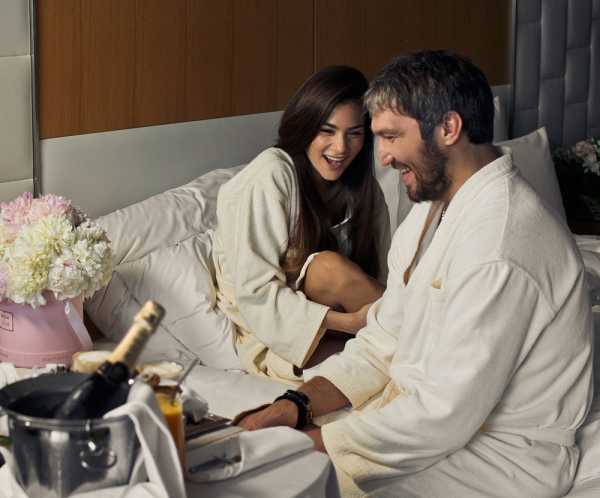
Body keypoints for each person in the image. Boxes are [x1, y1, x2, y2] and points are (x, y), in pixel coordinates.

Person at [235, 51, 594, 497]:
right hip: (428, 427)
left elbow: (444, 413)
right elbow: (383, 341)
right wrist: (296, 405)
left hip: (498, 459)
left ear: (448, 128)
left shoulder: (500, 244)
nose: (382, 156)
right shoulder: (431, 211)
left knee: (279, 482)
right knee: (248, 473)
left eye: (390, 136)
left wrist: (308, 444)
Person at [211, 66, 390, 384]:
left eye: (354, 133)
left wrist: (366, 321)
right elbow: (256, 295)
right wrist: (352, 323)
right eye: (326, 131)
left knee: (391, 366)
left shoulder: (363, 188)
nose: (340, 148)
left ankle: (425, 343)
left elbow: (379, 279)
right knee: (329, 268)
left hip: (350, 323)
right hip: (279, 338)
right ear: (305, 125)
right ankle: (427, 341)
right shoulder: (271, 174)